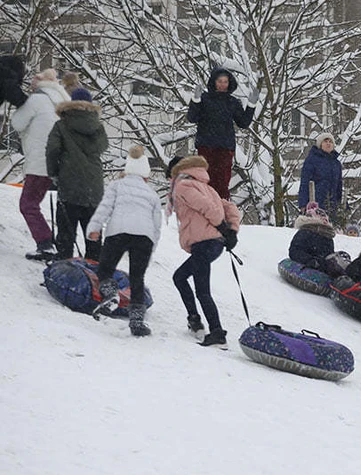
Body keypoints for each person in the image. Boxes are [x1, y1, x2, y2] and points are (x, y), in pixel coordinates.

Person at [86, 145, 161, 336]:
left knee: (105, 268)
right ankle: (137, 321)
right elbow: (156, 226)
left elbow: (104, 208)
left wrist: (94, 228)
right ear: (146, 174)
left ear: (127, 169)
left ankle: (111, 295)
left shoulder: (117, 186)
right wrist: (151, 248)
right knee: (137, 277)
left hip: (118, 231)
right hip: (144, 236)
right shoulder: (152, 194)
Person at [167, 155, 240, 347]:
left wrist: (223, 227)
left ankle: (216, 331)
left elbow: (209, 209)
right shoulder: (208, 188)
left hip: (204, 243)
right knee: (179, 277)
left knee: (202, 290)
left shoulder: (183, 186)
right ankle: (194, 319)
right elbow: (230, 207)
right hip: (212, 243)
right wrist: (232, 231)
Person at [11, 68, 71, 260]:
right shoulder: (64, 101)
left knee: (28, 204)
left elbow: (17, 123)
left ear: (39, 82)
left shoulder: (36, 99)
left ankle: (45, 244)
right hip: (60, 162)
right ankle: (57, 244)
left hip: (39, 161)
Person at [45, 87, 108, 260]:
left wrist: (54, 174)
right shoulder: (98, 127)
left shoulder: (62, 125)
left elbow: (52, 150)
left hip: (69, 186)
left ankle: (65, 273)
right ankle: (95, 277)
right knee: (93, 236)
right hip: (94, 189)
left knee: (66, 235)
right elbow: (102, 147)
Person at [186, 68, 257, 199]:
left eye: (225, 81)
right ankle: (207, 211)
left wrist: (251, 105)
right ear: (214, 81)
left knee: (222, 183)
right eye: (220, 81)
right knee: (205, 181)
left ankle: (222, 212)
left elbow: (243, 123)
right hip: (206, 146)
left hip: (225, 148)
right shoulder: (205, 99)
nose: (223, 84)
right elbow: (192, 117)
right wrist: (195, 100)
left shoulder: (233, 102)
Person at [297, 132, 344, 224]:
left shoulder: (336, 164)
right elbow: (305, 182)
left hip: (332, 203)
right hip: (315, 202)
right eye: (325, 141)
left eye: (330, 141)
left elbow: (339, 185)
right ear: (320, 144)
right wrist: (303, 203)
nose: (328, 143)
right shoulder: (312, 160)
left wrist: (340, 204)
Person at [287, 203, 346, 277]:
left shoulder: (327, 237)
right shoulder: (305, 232)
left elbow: (328, 255)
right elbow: (294, 251)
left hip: (324, 267)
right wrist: (310, 260)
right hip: (311, 266)